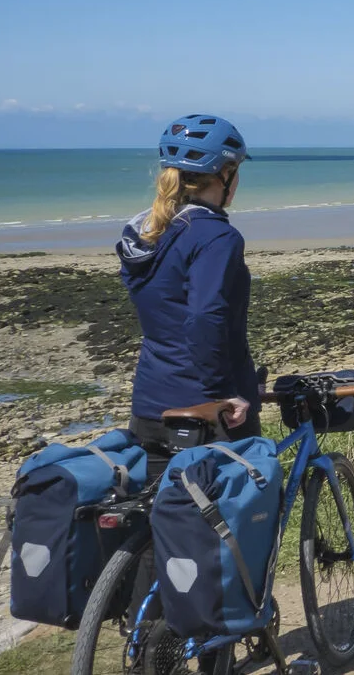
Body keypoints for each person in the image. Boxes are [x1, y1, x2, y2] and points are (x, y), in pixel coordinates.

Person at [115, 114, 259, 454]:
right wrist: (224, 391)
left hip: (151, 403)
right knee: (249, 499)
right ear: (224, 174)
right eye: (236, 172)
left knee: (161, 503)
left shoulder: (146, 233)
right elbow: (204, 317)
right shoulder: (216, 237)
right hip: (208, 410)